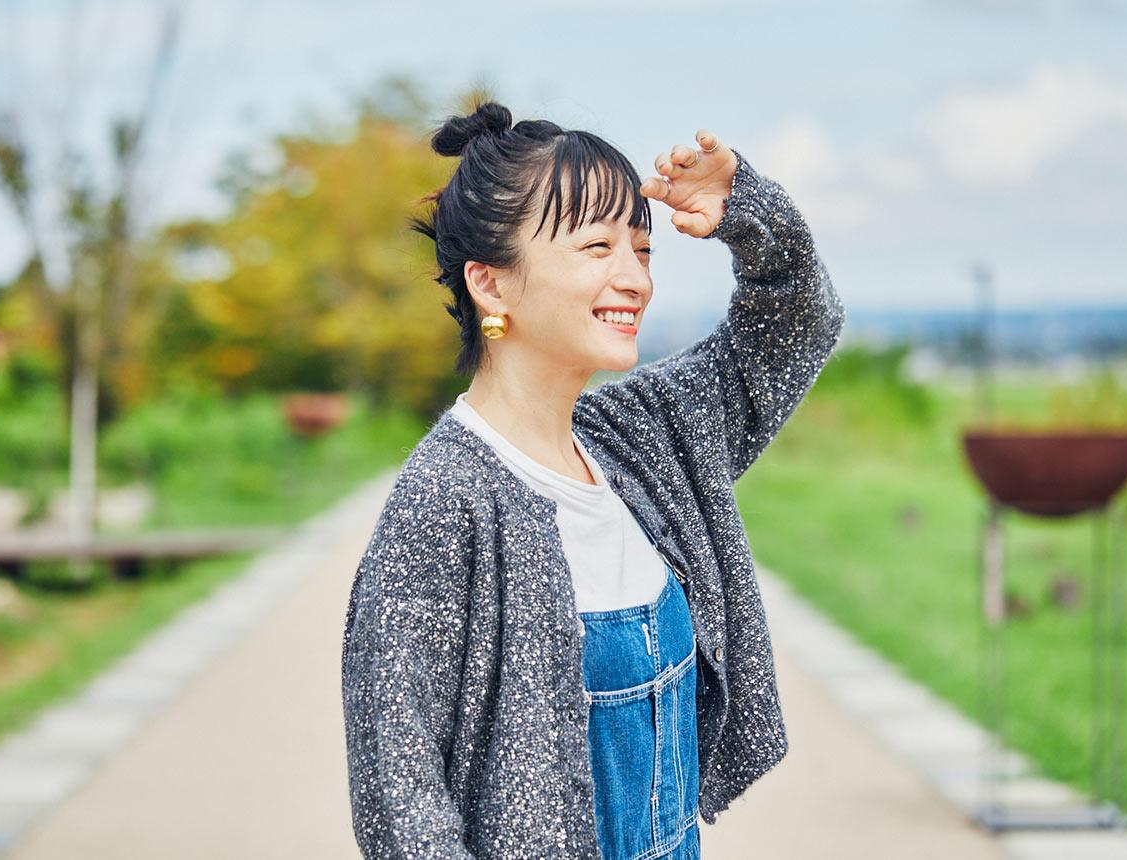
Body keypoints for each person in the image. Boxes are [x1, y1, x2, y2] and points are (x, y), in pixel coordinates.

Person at [341, 100, 846, 859]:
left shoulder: (640, 441)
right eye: (596, 246)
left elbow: (797, 325)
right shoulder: (446, 502)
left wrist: (746, 208)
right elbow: (401, 801)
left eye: (642, 249)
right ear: (491, 284)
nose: (634, 278)